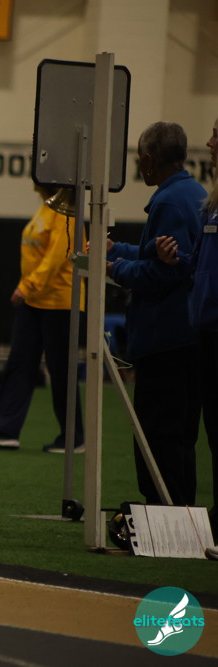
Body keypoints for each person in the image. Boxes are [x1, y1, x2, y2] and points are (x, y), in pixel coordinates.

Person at [103, 121, 203, 507]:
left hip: (165, 337)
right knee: (180, 435)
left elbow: (163, 272)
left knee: (159, 435)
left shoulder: (168, 202)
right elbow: (156, 254)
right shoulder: (192, 193)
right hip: (187, 336)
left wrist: (113, 269)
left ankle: (164, 513)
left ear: (148, 159)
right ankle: (180, 511)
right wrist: (117, 250)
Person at [0, 185, 86, 453]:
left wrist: (27, 286)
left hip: (59, 302)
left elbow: (57, 257)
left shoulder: (67, 214)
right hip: (33, 302)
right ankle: (4, 430)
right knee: (20, 363)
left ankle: (73, 438)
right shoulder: (46, 209)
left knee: (60, 370)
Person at [157, 115, 218, 530]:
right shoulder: (212, 203)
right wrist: (175, 258)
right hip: (207, 333)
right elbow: (199, 264)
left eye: (216, 135)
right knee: (212, 431)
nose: (209, 144)